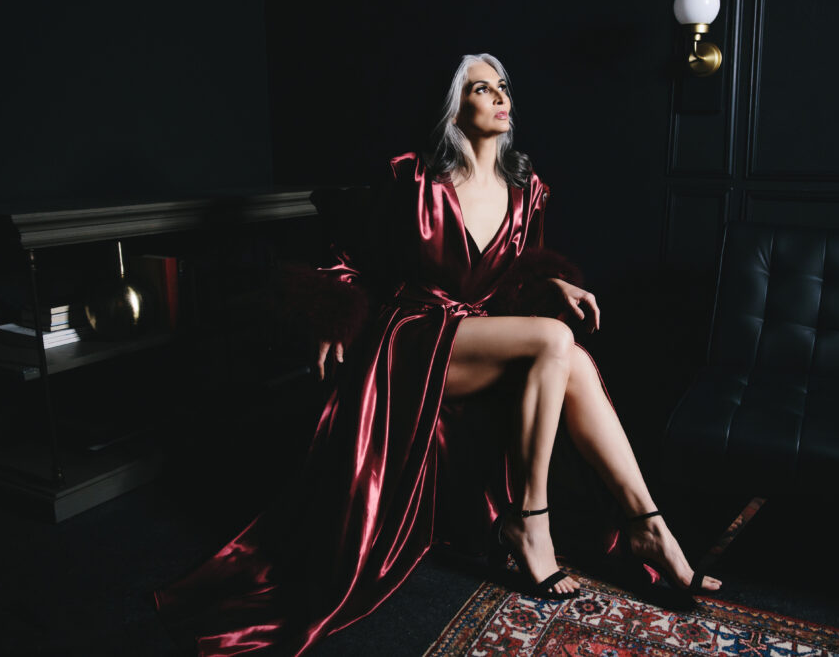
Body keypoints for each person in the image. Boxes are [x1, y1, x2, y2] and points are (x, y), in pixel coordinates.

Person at [153, 53, 720, 656]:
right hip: (410, 338)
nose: (502, 98)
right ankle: (531, 525)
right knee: (557, 340)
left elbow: (512, 280)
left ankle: (648, 528)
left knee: (573, 358)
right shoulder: (412, 179)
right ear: (455, 107)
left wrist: (548, 284)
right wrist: (330, 317)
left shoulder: (529, 190)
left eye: (504, 88)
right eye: (483, 89)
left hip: (476, 334)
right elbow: (347, 256)